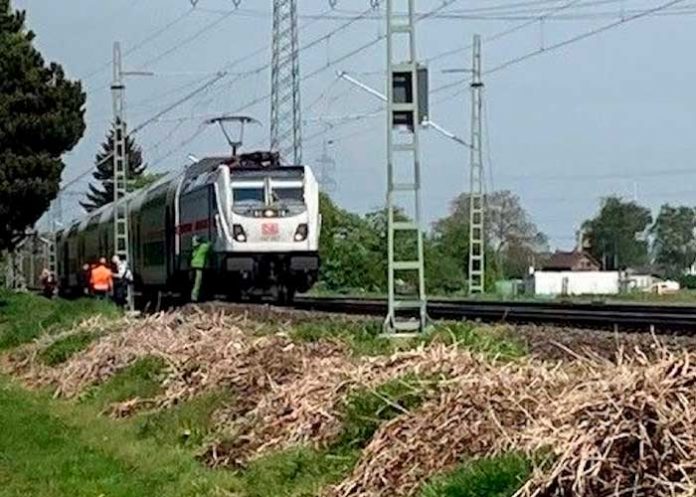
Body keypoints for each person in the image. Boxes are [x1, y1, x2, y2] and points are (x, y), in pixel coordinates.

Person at [190, 236, 211, 302]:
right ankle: (194, 297)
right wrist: (204, 240)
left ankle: (193, 296)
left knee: (193, 282)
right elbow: (209, 244)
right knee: (198, 282)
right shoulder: (204, 247)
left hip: (193, 265)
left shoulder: (194, 247)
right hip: (199, 267)